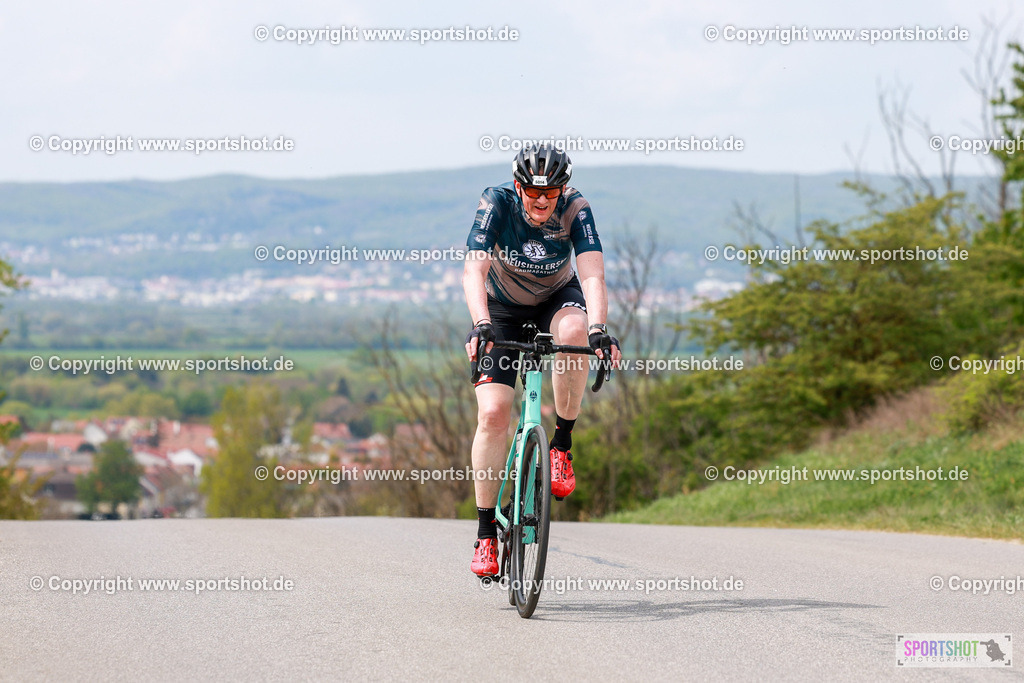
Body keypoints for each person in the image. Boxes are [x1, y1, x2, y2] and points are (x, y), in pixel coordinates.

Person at [463, 145, 621, 577]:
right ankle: (484, 533)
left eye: (549, 192)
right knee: (494, 414)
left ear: (561, 189)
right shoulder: (496, 201)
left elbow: (591, 274)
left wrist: (599, 329)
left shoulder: (575, 208)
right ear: (518, 186)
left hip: (556, 299)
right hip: (501, 310)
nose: (540, 200)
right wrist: (480, 324)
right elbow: (473, 269)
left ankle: (561, 445)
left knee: (574, 333)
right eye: (532, 191)